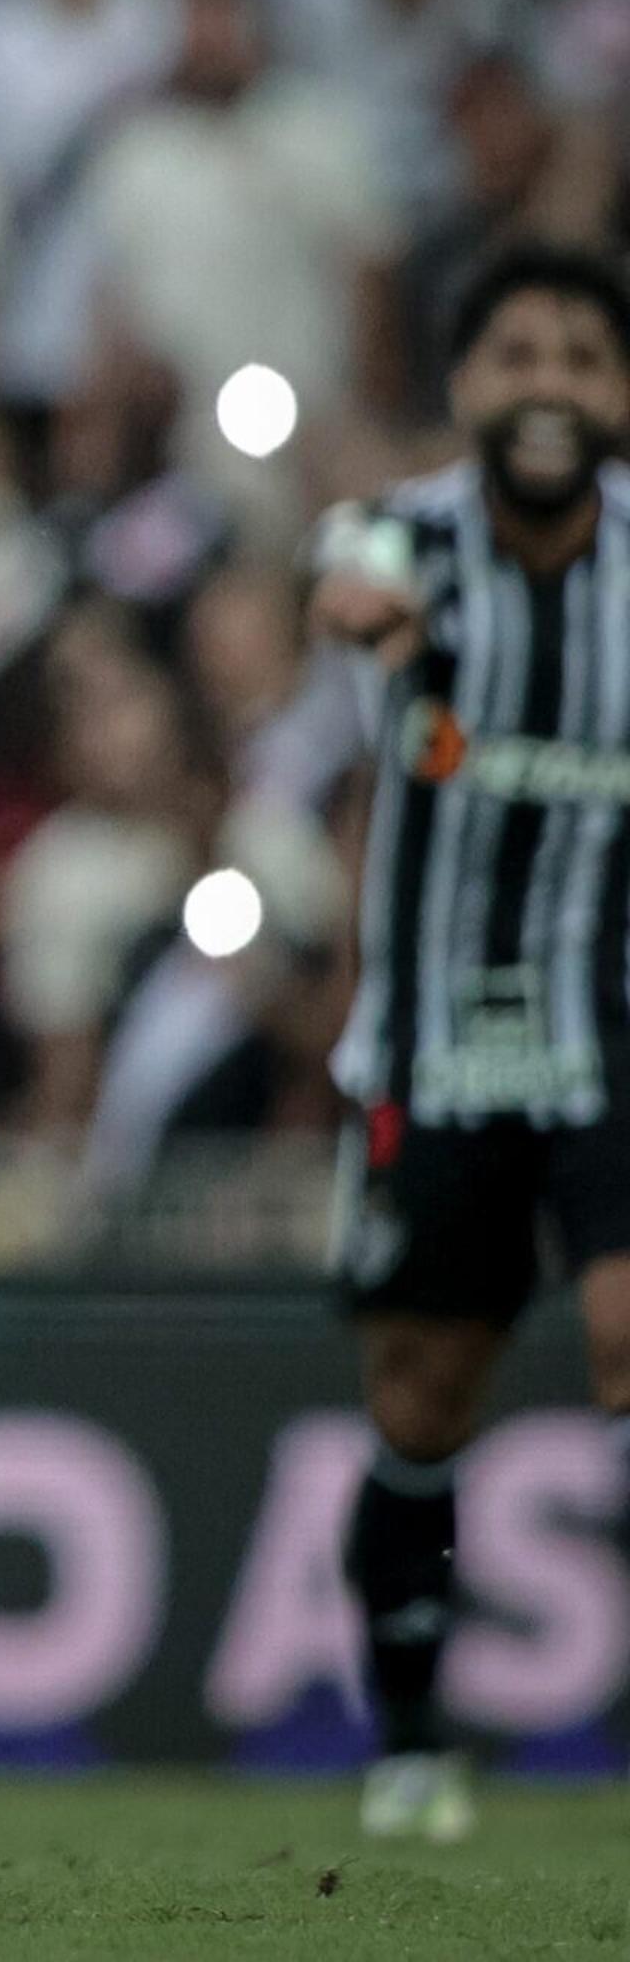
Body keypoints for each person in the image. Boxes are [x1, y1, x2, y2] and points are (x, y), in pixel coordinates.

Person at [306, 242, 630, 1848]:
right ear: (466, 389)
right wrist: (357, 608)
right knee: (427, 1398)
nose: (552, 385)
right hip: (433, 1049)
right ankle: (415, 1736)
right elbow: (346, 570)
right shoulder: (406, 529)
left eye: (583, 356)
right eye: (519, 356)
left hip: (614, 1030)